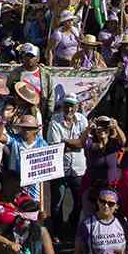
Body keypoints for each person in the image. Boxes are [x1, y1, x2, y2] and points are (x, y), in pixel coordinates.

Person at [71, 187, 128, 254]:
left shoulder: (122, 223)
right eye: (102, 201)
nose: (106, 206)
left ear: (116, 206)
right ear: (97, 202)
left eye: (111, 203)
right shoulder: (86, 225)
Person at [46, 94, 87, 237]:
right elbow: (55, 148)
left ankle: (73, 226)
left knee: (80, 202)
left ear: (77, 107)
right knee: (57, 204)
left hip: (78, 169)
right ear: (62, 106)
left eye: (72, 106)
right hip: (60, 168)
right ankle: (56, 232)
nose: (69, 109)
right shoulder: (54, 122)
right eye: (67, 105)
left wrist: (67, 142)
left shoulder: (82, 120)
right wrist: (77, 143)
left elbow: (84, 143)